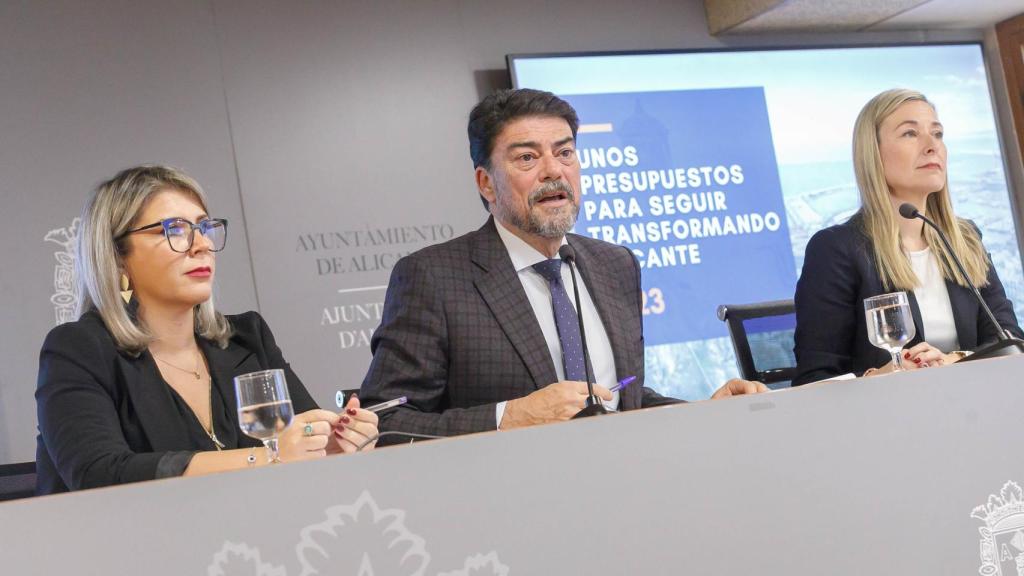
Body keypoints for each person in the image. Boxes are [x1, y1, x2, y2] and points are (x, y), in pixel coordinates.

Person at [359, 88, 766, 442]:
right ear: (486, 183)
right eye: (527, 158)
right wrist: (509, 418)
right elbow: (384, 423)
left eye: (565, 152)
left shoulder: (614, 263)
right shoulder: (434, 278)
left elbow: (620, 401)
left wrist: (703, 414)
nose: (553, 170)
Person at [36, 165, 379, 494]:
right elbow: (100, 473)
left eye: (204, 228)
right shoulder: (78, 349)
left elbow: (301, 442)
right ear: (117, 255)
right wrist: (268, 457)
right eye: (174, 230)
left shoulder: (246, 339)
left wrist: (333, 444)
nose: (200, 245)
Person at [792, 89, 1022, 386]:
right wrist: (883, 376)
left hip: (971, 410)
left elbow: (1010, 342)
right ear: (872, 154)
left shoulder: (965, 240)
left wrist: (954, 361)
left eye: (937, 134)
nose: (932, 146)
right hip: (887, 422)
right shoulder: (837, 250)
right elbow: (813, 380)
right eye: (910, 134)